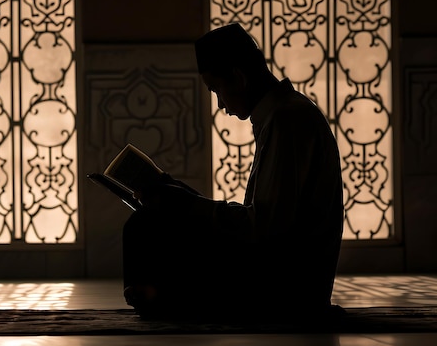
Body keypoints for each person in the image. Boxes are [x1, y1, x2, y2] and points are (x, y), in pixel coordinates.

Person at [121, 23, 344, 322]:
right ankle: (158, 297)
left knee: (150, 222)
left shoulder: (288, 120)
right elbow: (264, 221)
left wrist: (186, 205)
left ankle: (157, 297)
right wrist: (181, 196)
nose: (220, 104)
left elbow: (265, 230)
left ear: (238, 78)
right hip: (281, 274)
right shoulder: (282, 115)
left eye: (217, 90)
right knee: (164, 217)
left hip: (288, 290)